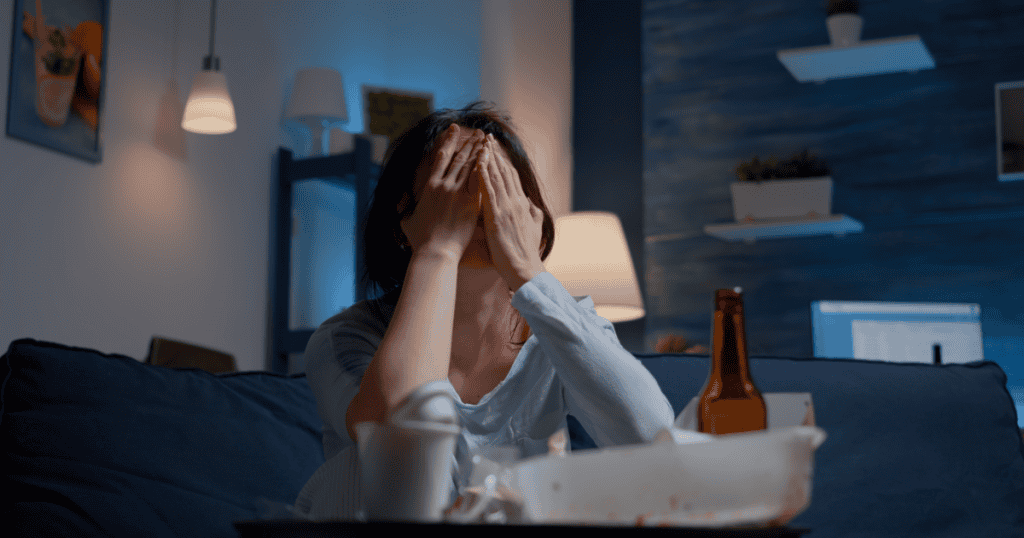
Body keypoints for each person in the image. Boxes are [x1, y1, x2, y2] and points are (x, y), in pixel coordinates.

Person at [293, 102, 675, 520]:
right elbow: (396, 435)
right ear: (405, 215)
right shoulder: (346, 337)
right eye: (454, 179)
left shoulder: (558, 326)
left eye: (498, 183)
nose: (479, 202)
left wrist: (529, 271)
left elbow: (652, 438)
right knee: (360, 465)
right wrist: (437, 249)